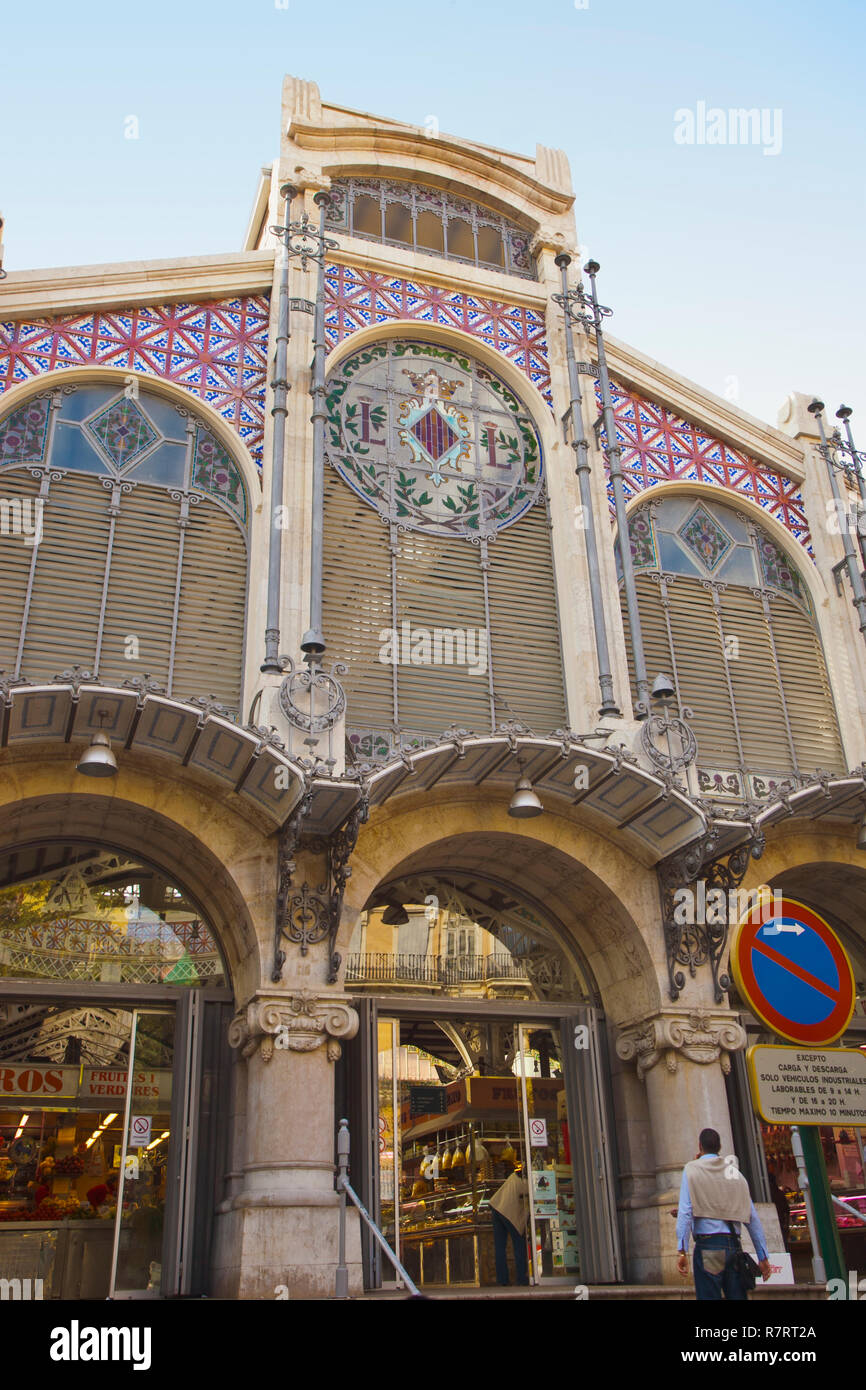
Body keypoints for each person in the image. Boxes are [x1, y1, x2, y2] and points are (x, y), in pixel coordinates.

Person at [676, 1127, 772, 1300]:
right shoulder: (736, 1174)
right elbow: (753, 1218)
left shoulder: (692, 1170)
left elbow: (685, 1212)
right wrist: (762, 1255)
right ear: (720, 1147)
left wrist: (682, 1249)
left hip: (710, 1245)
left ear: (700, 1146)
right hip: (734, 1247)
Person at [488, 1167, 529, 1286]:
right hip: (508, 1211)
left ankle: (502, 1280)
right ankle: (522, 1278)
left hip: (496, 1207)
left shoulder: (515, 1176)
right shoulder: (527, 1182)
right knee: (519, 1243)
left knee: (500, 1247)